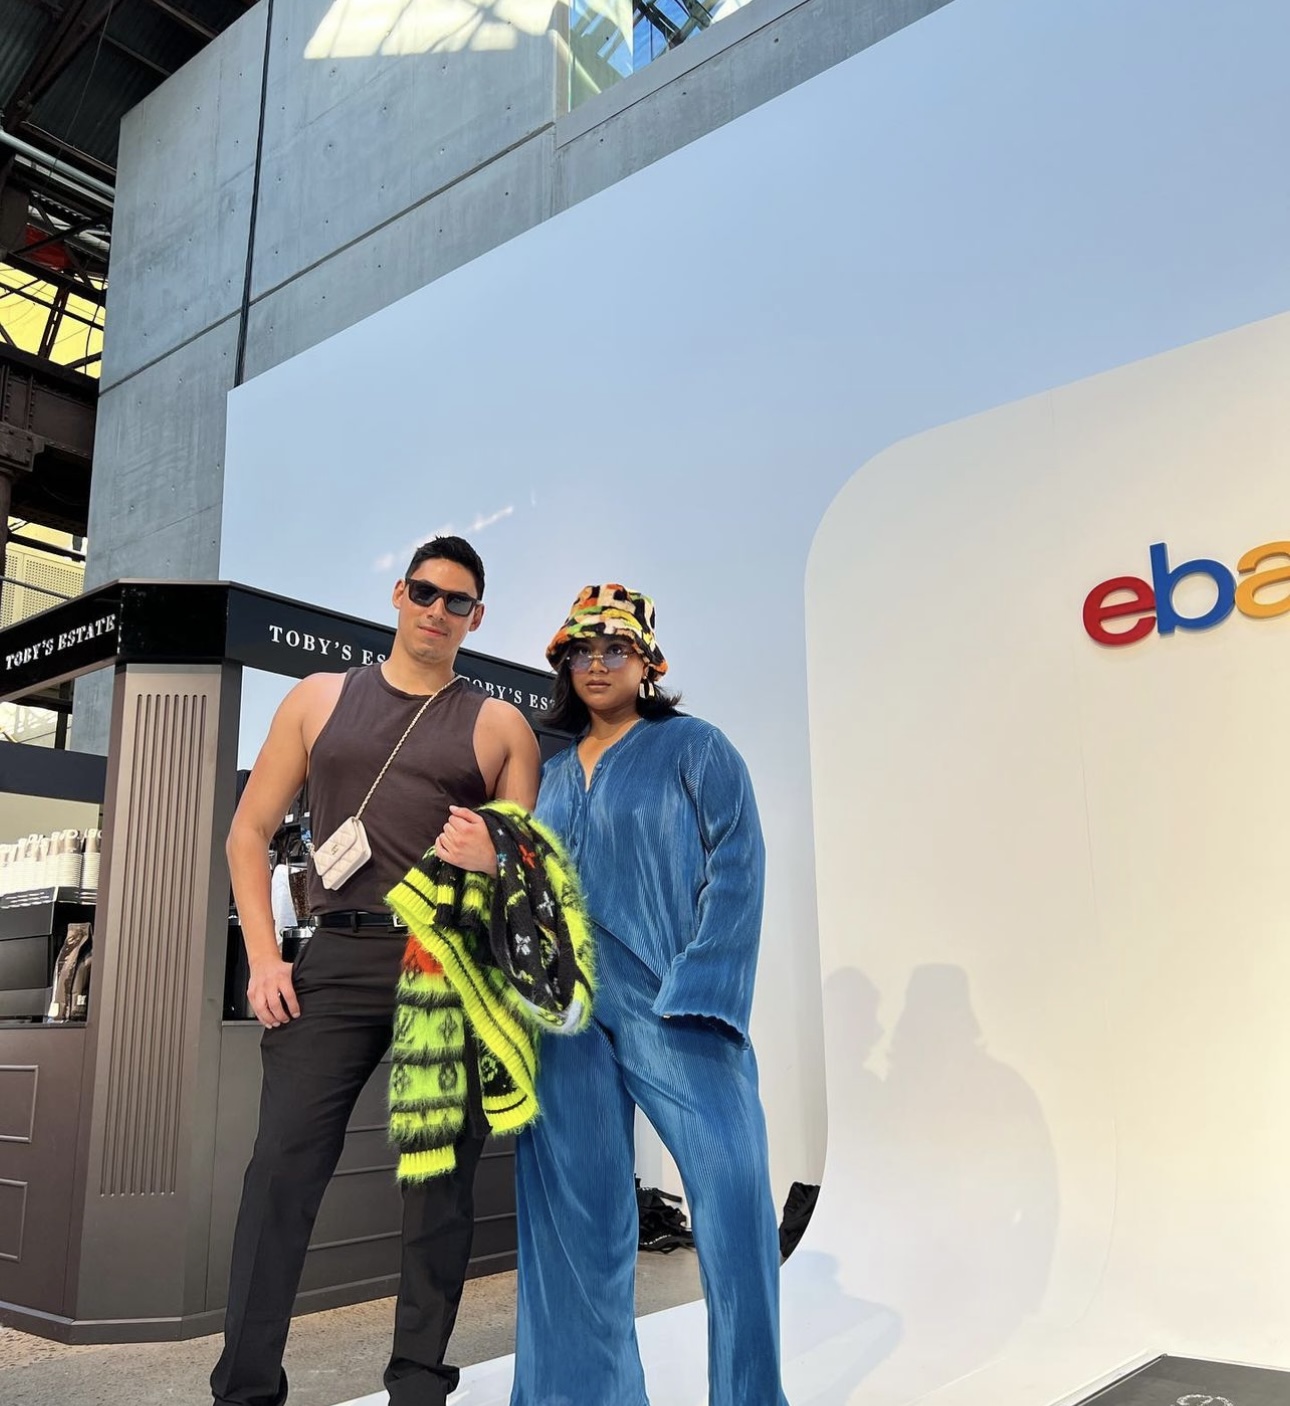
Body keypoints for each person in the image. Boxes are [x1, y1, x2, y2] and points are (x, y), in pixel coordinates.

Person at [436, 584, 789, 1406]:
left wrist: (705, 984)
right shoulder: (552, 777)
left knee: (734, 1201)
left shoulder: (697, 748)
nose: (598, 665)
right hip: (566, 1012)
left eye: (615, 650)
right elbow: (536, 896)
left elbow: (739, 864)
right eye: (582, 652)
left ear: (646, 662)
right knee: (574, 1217)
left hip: (677, 1001)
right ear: (564, 665)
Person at [211, 536, 540, 1406]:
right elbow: (247, 833)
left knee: (438, 1186)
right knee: (280, 1174)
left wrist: (496, 857)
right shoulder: (319, 699)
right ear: (398, 594)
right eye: (426, 592)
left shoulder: (500, 727)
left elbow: (525, 877)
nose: (438, 610)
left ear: (477, 617)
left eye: (457, 601)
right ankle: (244, 1389)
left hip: (446, 965)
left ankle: (419, 1386)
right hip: (336, 954)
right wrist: (264, 957)